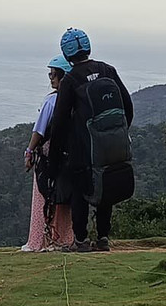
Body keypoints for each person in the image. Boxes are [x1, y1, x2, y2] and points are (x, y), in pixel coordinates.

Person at [48, 28, 135, 253]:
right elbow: (128, 107)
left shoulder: (71, 80)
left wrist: (55, 155)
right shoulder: (108, 70)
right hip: (112, 143)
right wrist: (117, 134)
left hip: (82, 147)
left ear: (67, 55)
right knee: (105, 186)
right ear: (87, 48)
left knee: (81, 190)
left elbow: (59, 122)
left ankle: (81, 240)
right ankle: (103, 238)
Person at [21, 57, 74, 252]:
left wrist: (29, 151)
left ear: (62, 76)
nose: (50, 78)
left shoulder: (52, 101)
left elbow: (39, 130)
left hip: (49, 156)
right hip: (72, 156)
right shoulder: (78, 99)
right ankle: (65, 239)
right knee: (65, 196)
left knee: (43, 195)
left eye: (53, 74)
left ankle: (38, 241)